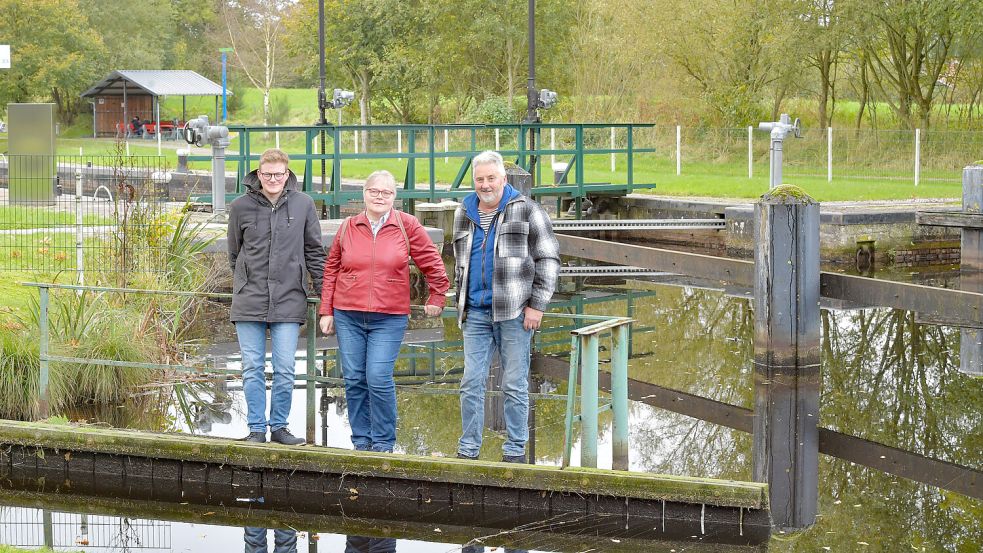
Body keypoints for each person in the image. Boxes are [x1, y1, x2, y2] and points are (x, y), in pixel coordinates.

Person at [319, 170, 449, 453]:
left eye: (386, 192)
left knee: (377, 376)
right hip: (347, 313)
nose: (380, 197)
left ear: (395, 197)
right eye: (374, 191)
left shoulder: (408, 226)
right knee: (353, 378)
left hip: (389, 316)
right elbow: (331, 269)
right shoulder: (349, 226)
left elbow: (432, 263)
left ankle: (383, 442)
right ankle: (362, 441)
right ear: (364, 194)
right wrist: (326, 309)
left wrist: (438, 295)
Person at [453, 150, 560, 463]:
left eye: (491, 178)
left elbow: (549, 259)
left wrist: (537, 305)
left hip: (514, 312)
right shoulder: (464, 211)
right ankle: (468, 449)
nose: (485, 185)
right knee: (471, 381)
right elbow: (460, 262)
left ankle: (515, 450)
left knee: (514, 384)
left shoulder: (527, 210)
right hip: (474, 313)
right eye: (480, 179)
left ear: (503, 179)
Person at [228, 148, 325, 445]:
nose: (273, 179)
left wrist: (324, 296)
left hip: (289, 297)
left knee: (285, 368)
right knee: (252, 367)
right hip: (250, 299)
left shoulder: (304, 204)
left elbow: (314, 251)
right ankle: (257, 428)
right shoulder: (240, 207)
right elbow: (234, 253)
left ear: (288, 175)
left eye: (279, 174)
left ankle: (279, 427)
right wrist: (244, 279)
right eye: (267, 174)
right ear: (258, 174)